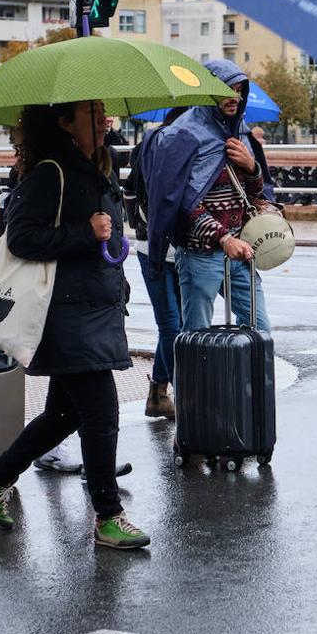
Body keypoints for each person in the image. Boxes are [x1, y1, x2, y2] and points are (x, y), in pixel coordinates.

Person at [0, 99, 148, 550]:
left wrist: (109, 252)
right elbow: (21, 236)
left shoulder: (98, 165)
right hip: (66, 311)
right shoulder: (52, 171)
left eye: (104, 112)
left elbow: (105, 234)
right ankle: (108, 515)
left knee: (64, 414)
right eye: (92, 114)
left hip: (94, 305)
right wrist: (85, 234)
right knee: (102, 411)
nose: (104, 120)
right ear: (65, 123)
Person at [140, 59, 273, 334]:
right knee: (196, 338)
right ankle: (189, 379)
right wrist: (223, 238)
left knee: (261, 331)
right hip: (200, 255)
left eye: (238, 90)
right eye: (226, 90)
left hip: (240, 253)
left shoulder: (241, 132)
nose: (234, 97)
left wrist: (251, 166)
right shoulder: (183, 134)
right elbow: (180, 202)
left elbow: (256, 194)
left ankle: (250, 379)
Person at [124, 109, 190, 419]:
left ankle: (158, 392)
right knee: (172, 327)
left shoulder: (196, 149)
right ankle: (187, 400)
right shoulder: (148, 150)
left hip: (185, 253)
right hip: (154, 251)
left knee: (176, 328)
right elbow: (137, 196)